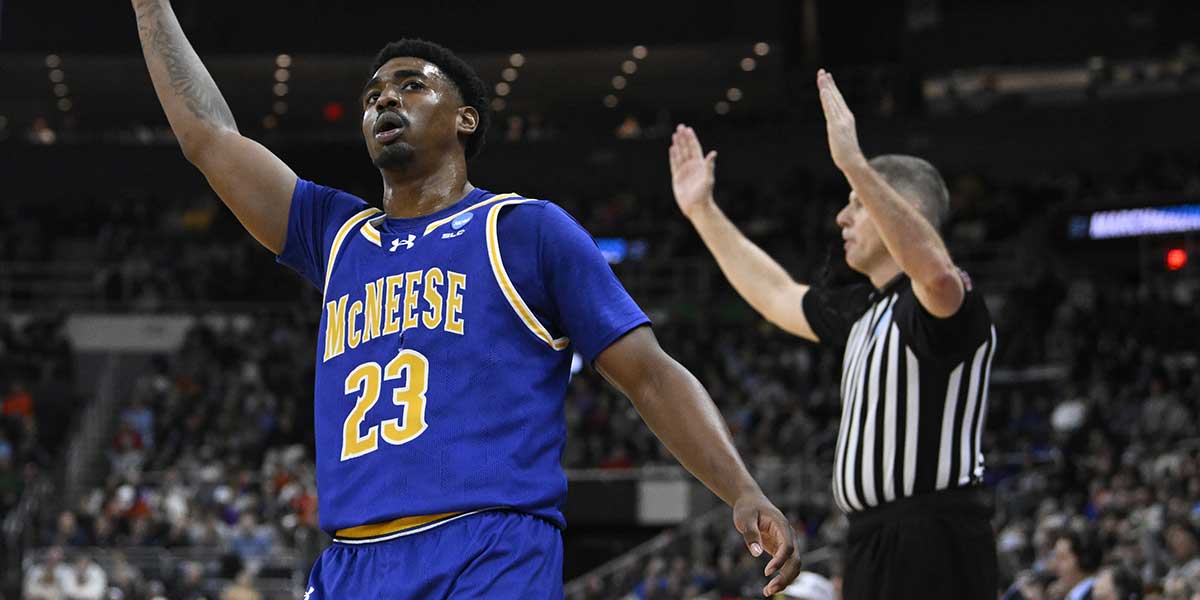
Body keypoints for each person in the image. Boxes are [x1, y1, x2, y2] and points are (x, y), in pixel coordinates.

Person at [129, 1, 803, 598]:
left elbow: (650, 375)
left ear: (465, 118)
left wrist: (739, 488)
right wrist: (149, 5)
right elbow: (208, 139)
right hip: (352, 562)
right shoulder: (336, 235)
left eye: (411, 86)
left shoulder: (526, 230)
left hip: (489, 550)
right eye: (373, 95)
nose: (383, 101)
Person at [668, 69, 998, 600]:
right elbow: (775, 294)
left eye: (858, 203)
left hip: (935, 538)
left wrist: (855, 162)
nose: (843, 215)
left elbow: (935, 273)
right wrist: (703, 213)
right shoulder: (864, 309)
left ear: (901, 214)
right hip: (870, 539)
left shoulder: (944, 301)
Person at [1048, 529, 1102, 600]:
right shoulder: (1072, 596)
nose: (1054, 566)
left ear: (1083, 560)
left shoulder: (1098, 596)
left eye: (1062, 558)